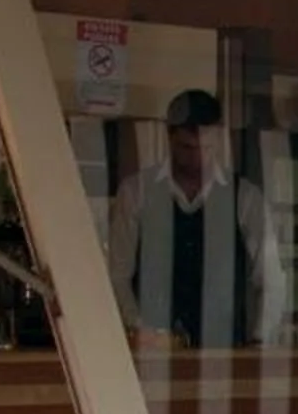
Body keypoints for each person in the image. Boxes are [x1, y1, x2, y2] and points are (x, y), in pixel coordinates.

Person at [106, 89, 285, 349]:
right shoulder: (136, 193)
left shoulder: (246, 198)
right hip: (152, 350)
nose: (198, 158)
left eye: (207, 148)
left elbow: (271, 279)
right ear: (170, 136)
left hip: (224, 352)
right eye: (187, 148)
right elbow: (118, 275)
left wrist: (259, 339)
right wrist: (138, 329)